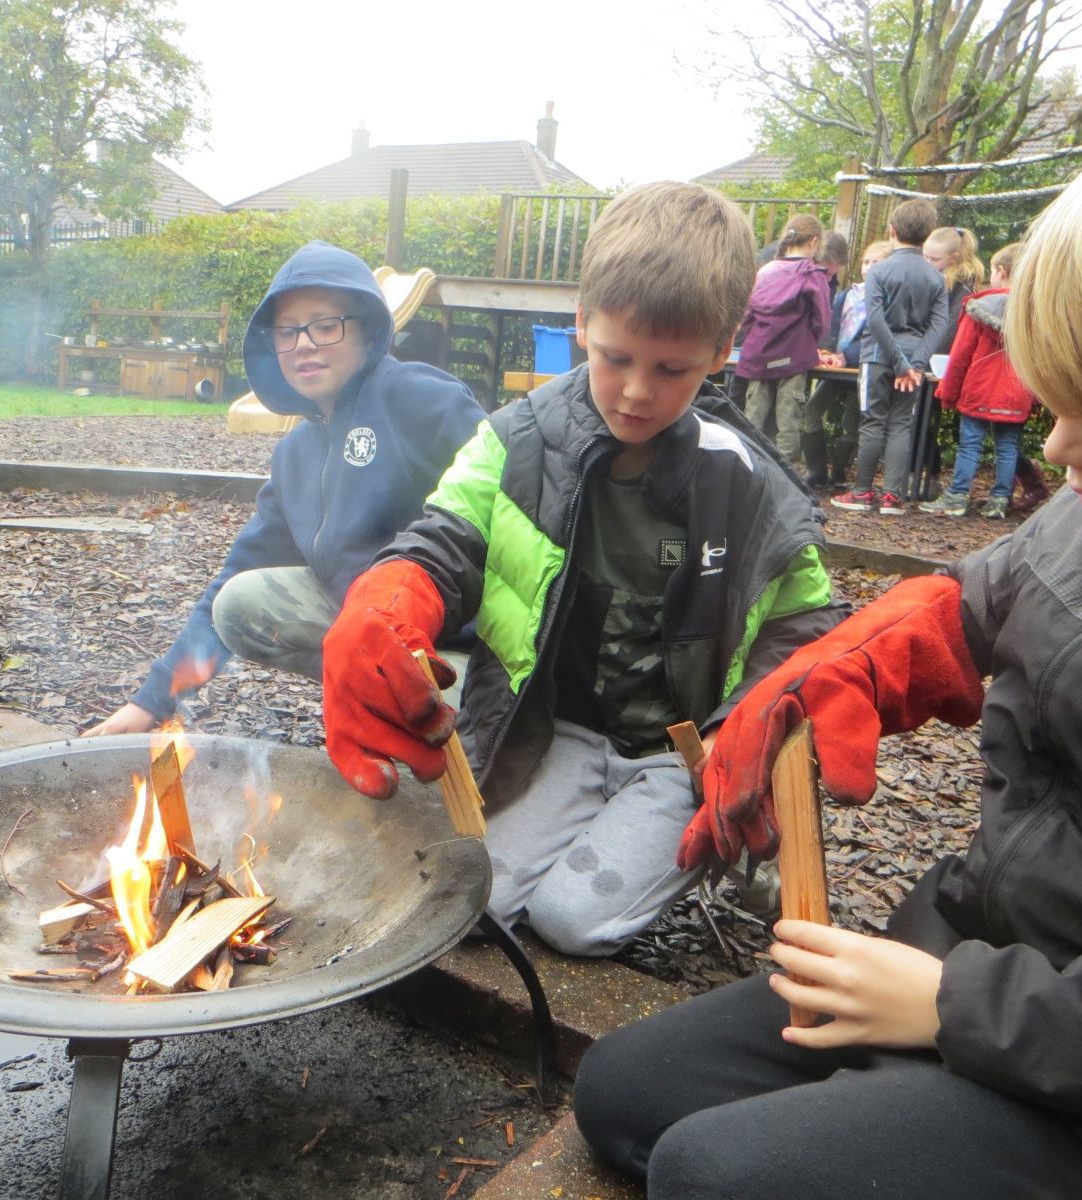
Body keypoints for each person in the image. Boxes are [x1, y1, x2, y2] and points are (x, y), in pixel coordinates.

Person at [574, 100, 1082, 1200]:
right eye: (1056, 397)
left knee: (710, 1175)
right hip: (964, 955)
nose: (1055, 446)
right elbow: (970, 606)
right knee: (626, 1092)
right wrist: (835, 670)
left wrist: (949, 1007)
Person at [319, 183, 848, 956]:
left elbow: (807, 625)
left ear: (721, 353)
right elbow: (445, 538)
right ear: (580, 325)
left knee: (574, 922)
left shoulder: (747, 482)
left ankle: (712, 849)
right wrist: (391, 596)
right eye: (615, 357)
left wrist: (753, 729)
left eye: (672, 369)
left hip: (680, 749)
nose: (637, 391)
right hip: (557, 727)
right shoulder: (519, 439)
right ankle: (609, 831)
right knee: (478, 905)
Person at [84, 242, 485, 736]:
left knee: (466, 757)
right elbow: (236, 573)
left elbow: (514, 504)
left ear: (368, 332)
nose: (304, 344)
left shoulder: (417, 396)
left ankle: (467, 715)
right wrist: (150, 704)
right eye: (288, 330)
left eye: (324, 325)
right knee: (238, 602)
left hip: (468, 652)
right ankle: (372, 693)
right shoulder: (295, 455)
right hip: (371, 639)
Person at [832, 199, 950, 515]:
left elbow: (874, 319)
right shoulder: (936, 276)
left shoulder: (880, 270)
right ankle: (892, 497)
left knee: (871, 422)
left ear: (892, 230)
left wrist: (899, 362)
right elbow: (939, 324)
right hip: (914, 362)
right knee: (901, 425)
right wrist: (916, 364)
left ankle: (861, 493)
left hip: (877, 357)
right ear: (927, 236)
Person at [919, 242, 1033, 519]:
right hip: (1017, 393)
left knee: (970, 443)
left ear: (1001, 271)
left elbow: (960, 355)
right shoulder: (1035, 313)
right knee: (1007, 447)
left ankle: (957, 496)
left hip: (979, 390)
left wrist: (948, 392)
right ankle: (999, 501)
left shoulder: (978, 308)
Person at [735, 214, 831, 463]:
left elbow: (746, 315)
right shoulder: (812, 274)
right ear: (813, 242)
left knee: (753, 414)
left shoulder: (765, 271)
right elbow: (822, 319)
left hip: (759, 352)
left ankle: (748, 465)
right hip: (794, 355)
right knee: (788, 418)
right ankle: (786, 473)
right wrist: (812, 341)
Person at [802, 240, 892, 487]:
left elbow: (874, 335)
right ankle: (816, 470)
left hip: (862, 368)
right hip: (836, 367)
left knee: (852, 421)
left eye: (877, 263)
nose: (868, 267)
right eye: (866, 261)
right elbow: (832, 324)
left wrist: (847, 356)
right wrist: (827, 350)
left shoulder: (887, 299)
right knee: (812, 409)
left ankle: (839, 474)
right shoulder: (847, 294)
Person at [923, 224, 987, 353]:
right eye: (925, 257)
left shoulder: (964, 281)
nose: (928, 263)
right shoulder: (930, 274)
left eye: (935, 259)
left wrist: (928, 352)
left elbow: (954, 321)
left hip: (940, 351)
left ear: (953, 258)